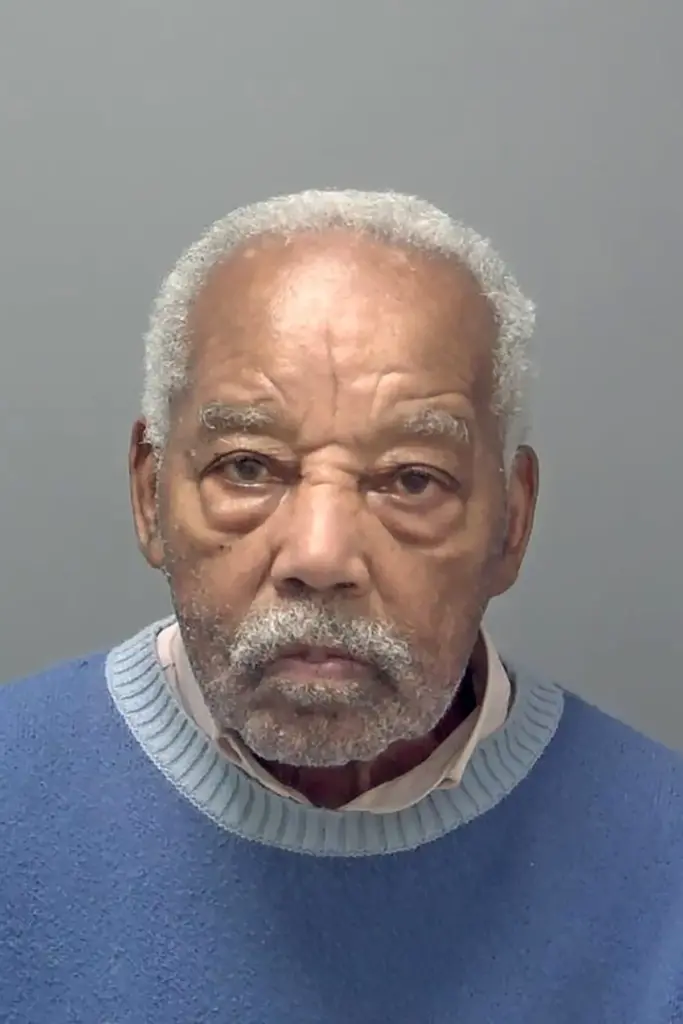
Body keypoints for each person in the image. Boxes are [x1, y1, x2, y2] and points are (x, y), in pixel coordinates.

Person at [1, 189, 681, 1024]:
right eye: (247, 466)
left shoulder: (662, 861)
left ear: (511, 521)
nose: (319, 557)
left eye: (411, 480)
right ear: (150, 495)